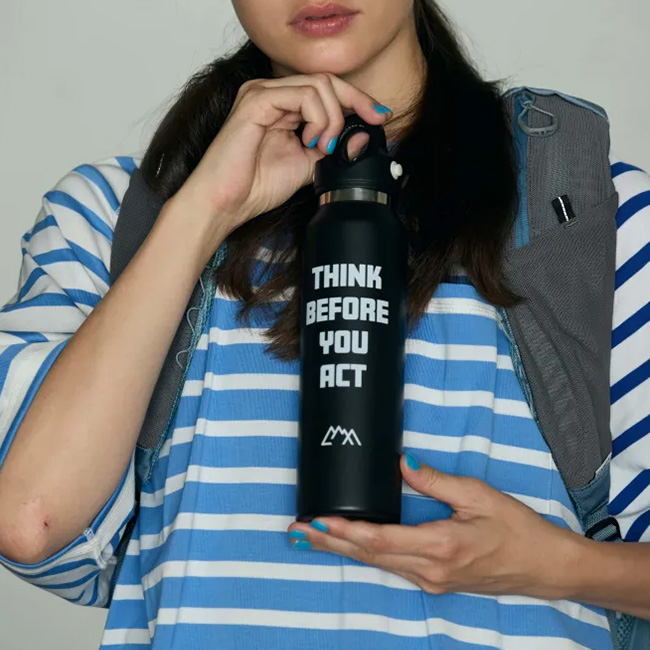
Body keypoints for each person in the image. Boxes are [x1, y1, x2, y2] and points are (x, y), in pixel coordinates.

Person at [0, 1, 648, 648]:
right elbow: (30, 523)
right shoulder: (113, 218)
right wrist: (204, 210)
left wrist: (558, 565)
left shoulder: (581, 217)